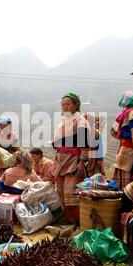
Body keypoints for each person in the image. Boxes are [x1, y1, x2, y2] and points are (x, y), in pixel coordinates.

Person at [53, 92, 91, 223]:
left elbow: (84, 143)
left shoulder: (80, 121)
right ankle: (67, 219)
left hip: (73, 160)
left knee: (71, 192)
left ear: (75, 105)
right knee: (60, 191)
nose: (65, 107)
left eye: (68, 104)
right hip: (61, 160)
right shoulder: (63, 123)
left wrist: (82, 162)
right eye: (63, 104)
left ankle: (77, 221)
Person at [110, 91, 133, 188]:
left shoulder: (122, 114)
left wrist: (123, 139)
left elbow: (112, 131)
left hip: (123, 150)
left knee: (122, 177)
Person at [83, 113, 107, 178]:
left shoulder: (96, 133)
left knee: (95, 174)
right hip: (84, 158)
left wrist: (99, 159)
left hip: (94, 159)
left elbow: (100, 147)